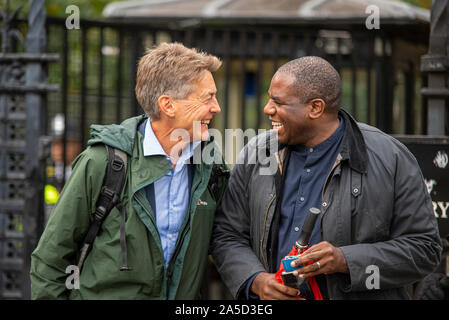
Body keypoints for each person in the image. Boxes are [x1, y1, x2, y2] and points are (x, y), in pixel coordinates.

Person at [211, 56, 442, 300]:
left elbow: (424, 249)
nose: (268, 109)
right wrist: (255, 280)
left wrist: (344, 260)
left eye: (278, 102)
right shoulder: (257, 153)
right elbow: (227, 233)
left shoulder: (390, 157)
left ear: (315, 108)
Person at [31, 42, 228, 299]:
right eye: (207, 98)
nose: (216, 107)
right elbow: (50, 259)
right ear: (168, 105)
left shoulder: (212, 166)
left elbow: (227, 238)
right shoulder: (102, 162)